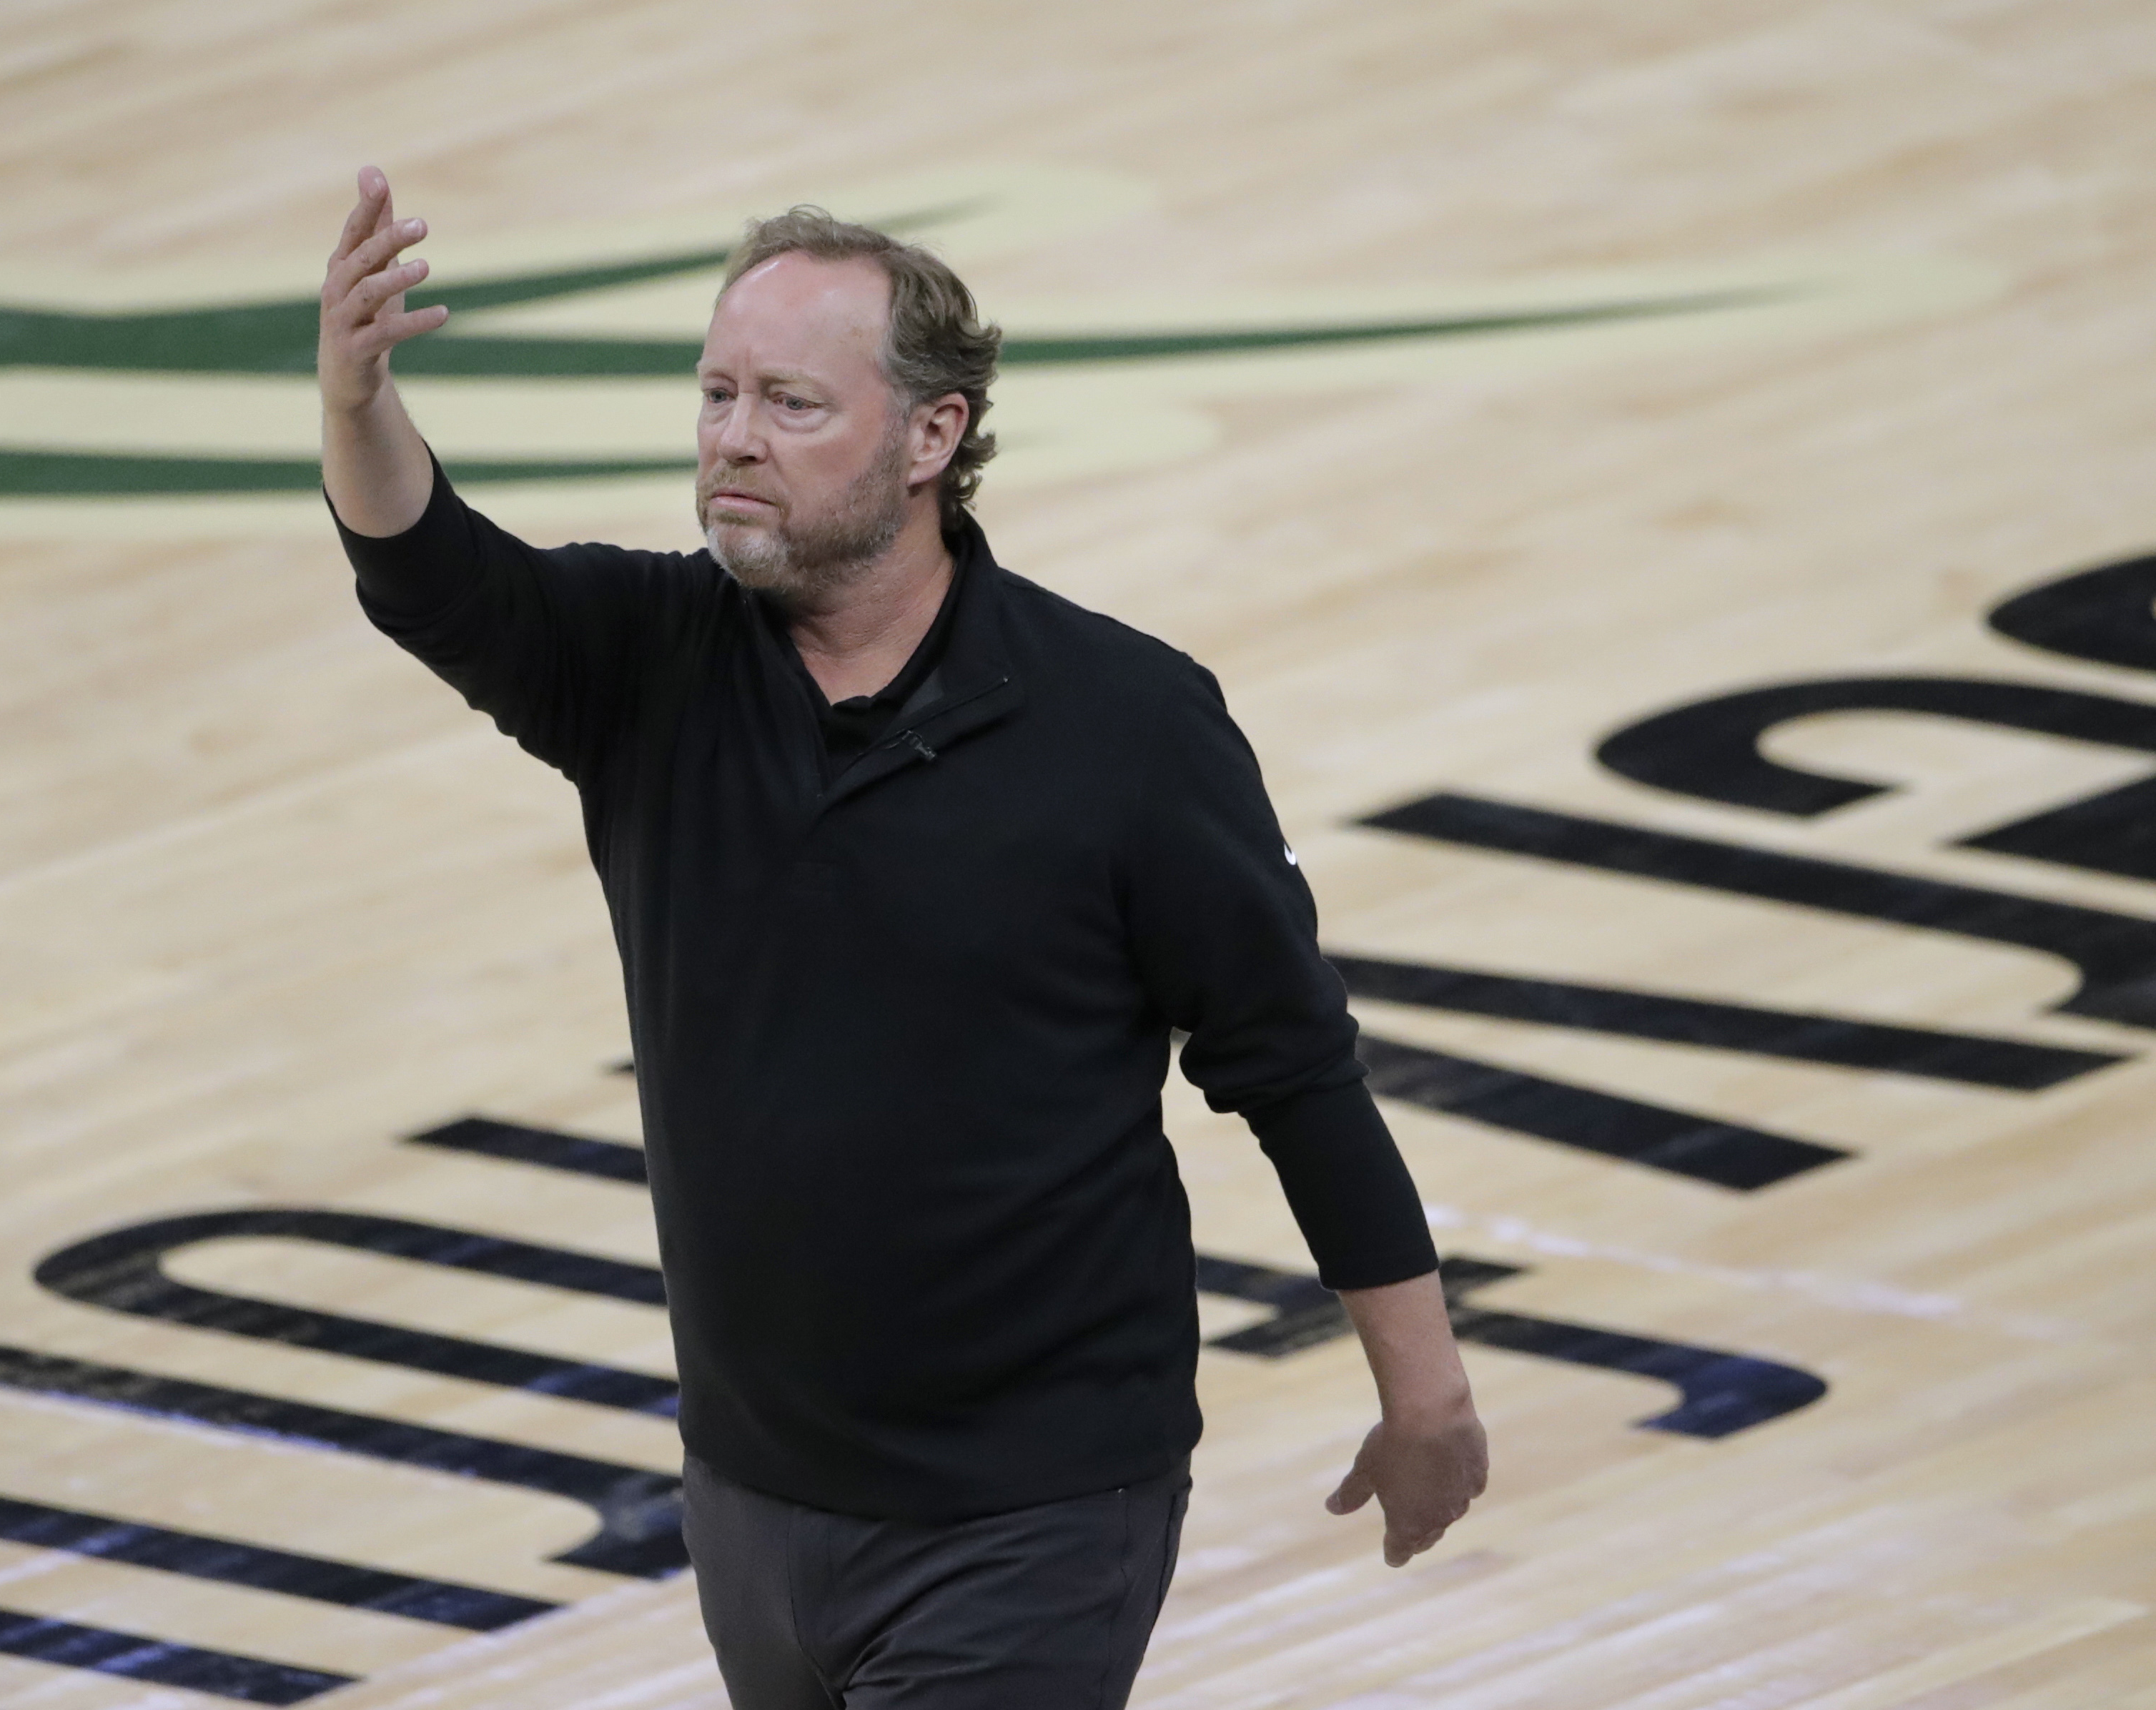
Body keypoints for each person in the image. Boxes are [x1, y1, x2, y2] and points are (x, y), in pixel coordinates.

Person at [318, 164, 1487, 1710]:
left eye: (792, 403)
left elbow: (1293, 1069)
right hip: (751, 1491)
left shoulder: (1125, 729)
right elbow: (430, 568)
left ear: (932, 436)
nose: (734, 435)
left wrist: (1427, 1389)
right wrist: (356, 397)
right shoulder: (646, 666)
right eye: (717, 392)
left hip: (1033, 1508)